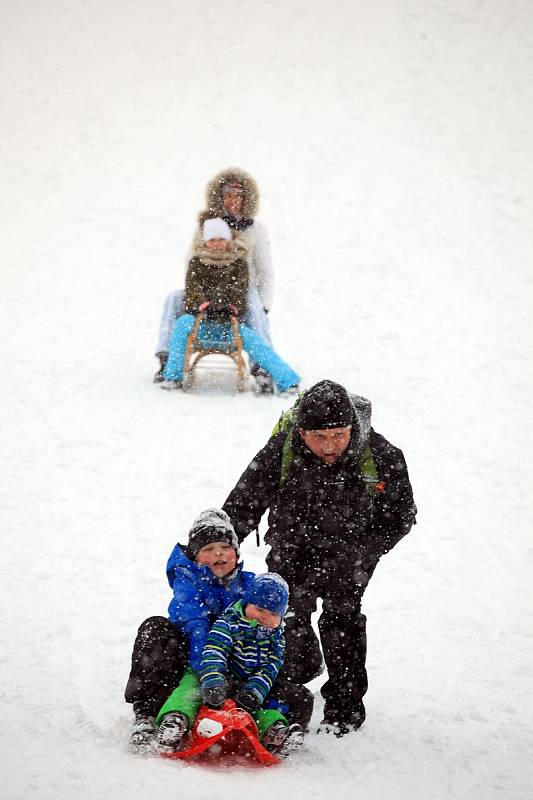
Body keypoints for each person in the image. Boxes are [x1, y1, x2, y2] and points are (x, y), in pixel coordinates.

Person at [222, 379, 417, 737]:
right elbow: (245, 502)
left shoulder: (381, 454)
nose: (330, 446)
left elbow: (401, 516)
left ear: (351, 429)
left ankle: (344, 710)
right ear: (301, 431)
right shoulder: (282, 448)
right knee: (285, 619)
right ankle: (285, 698)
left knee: (342, 622)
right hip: (291, 549)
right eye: (319, 437)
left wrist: (364, 552)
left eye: (339, 436)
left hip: (350, 557)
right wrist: (222, 545)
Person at [125, 509, 312, 753]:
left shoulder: (250, 586)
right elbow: (196, 624)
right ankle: (149, 714)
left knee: (290, 633)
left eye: (225, 547)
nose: (218, 554)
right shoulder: (188, 580)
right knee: (155, 629)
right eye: (208, 549)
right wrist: (209, 673)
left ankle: (276, 721)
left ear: (236, 552)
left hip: (241, 666)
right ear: (195, 556)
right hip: (193, 662)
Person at [156, 574, 305, 759]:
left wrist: (254, 692)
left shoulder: (276, 640)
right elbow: (215, 651)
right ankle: (175, 721)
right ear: (246, 604)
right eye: (260, 609)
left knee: (260, 711)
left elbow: (269, 669)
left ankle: (275, 733)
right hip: (208, 676)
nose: (266, 618)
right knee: (189, 692)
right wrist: (213, 681)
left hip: (243, 684)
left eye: (274, 614)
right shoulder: (229, 623)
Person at [155, 167, 274, 392]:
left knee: (256, 304)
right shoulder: (207, 225)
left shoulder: (256, 229)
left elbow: (265, 271)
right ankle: (166, 357)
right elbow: (191, 263)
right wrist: (198, 295)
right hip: (205, 288)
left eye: (238, 196)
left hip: (239, 290)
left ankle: (262, 368)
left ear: (246, 199)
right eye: (227, 195)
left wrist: (265, 303)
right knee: (173, 298)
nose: (233, 201)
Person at [159, 217, 299, 394]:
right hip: (200, 325)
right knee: (182, 323)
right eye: (212, 240)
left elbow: (239, 292)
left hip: (229, 327)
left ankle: (288, 381)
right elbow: (192, 289)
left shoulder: (238, 264)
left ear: (228, 240)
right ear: (206, 241)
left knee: (255, 341)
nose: (217, 244)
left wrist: (227, 306)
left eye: (221, 239)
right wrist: (203, 305)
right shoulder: (197, 263)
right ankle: (173, 377)